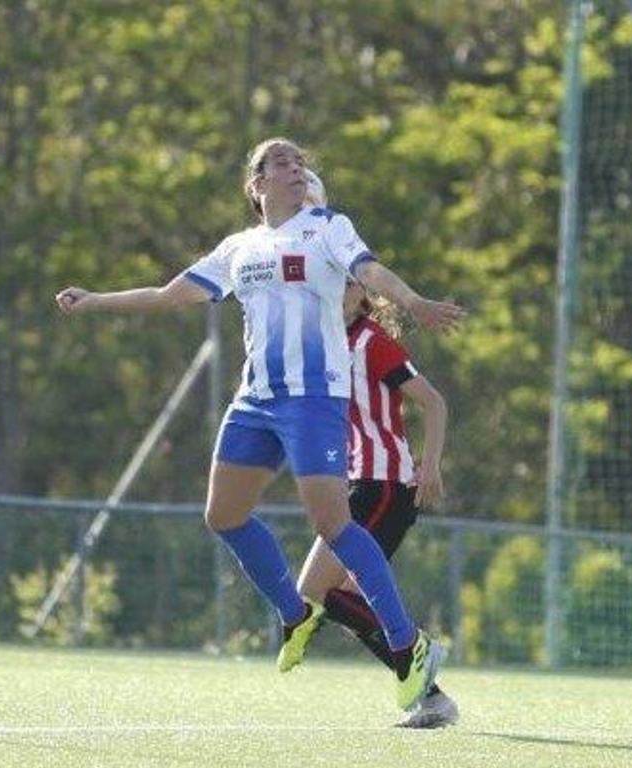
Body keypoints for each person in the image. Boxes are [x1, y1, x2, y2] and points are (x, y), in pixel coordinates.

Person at [54, 137, 466, 711]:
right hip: (256, 400)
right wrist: (95, 300)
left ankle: (407, 647)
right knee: (223, 514)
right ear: (256, 185)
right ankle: (295, 614)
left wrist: (414, 300)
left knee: (333, 524)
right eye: (281, 163)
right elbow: (169, 295)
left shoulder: (328, 227)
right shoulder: (238, 248)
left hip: (313, 397)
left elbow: (372, 271)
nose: (295, 168)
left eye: (300, 162)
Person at [296, 276, 461, 728]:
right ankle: (431, 695)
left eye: (348, 283)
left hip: (385, 484)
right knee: (325, 597)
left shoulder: (372, 342)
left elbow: (435, 404)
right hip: (355, 485)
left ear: (363, 296)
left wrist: (429, 464)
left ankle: (420, 662)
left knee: (323, 595)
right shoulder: (324, 344)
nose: (338, 289)